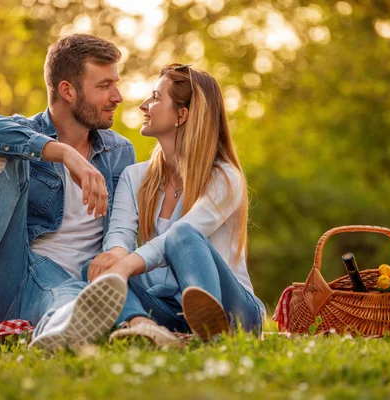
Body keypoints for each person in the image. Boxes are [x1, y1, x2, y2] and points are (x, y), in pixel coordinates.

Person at [0, 34, 134, 351]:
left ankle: (58, 327)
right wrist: (63, 154)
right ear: (68, 90)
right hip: (11, 274)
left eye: (116, 83)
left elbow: (122, 225)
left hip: (69, 285)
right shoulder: (24, 132)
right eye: (104, 86)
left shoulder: (119, 151)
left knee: (68, 301)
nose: (118, 96)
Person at [31, 64, 265, 350]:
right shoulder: (136, 177)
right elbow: (119, 233)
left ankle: (213, 330)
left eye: (155, 98)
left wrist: (126, 265)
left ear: (181, 115)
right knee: (92, 270)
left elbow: (178, 236)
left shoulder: (224, 177)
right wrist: (115, 256)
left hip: (237, 313)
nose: (144, 105)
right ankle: (144, 326)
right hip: (171, 311)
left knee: (183, 236)